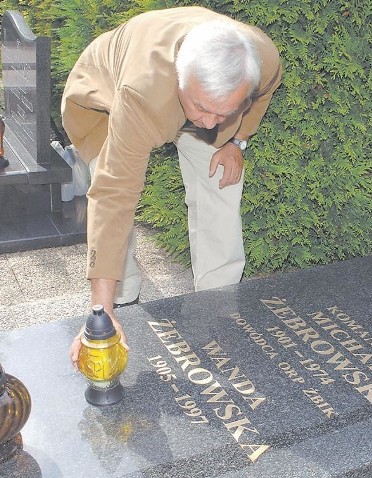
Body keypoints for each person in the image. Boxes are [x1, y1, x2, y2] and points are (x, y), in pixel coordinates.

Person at [63, 7, 281, 366]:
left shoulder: (262, 57)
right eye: (201, 108)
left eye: (223, 112)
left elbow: (262, 94)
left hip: (184, 94)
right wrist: (98, 313)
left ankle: (217, 305)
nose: (209, 123)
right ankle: (121, 299)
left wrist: (236, 140)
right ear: (181, 77)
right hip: (109, 95)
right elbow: (113, 197)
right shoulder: (142, 93)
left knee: (221, 182)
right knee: (115, 201)